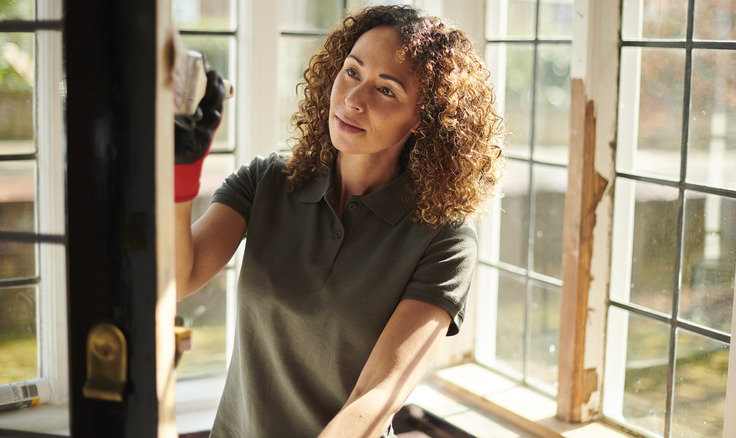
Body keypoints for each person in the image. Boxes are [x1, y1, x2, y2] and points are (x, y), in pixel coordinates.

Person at [173, 5, 505, 437]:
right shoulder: (269, 180)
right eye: (352, 72)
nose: (353, 100)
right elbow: (178, 279)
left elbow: (377, 395)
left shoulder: (446, 238)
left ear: (425, 118)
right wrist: (181, 169)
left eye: (386, 91)